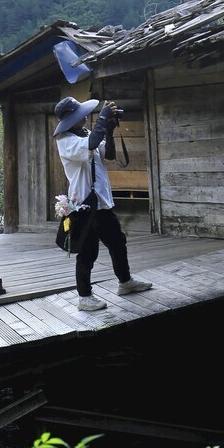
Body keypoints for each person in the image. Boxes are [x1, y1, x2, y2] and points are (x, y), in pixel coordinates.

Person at [53, 97, 152, 311]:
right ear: (72, 119)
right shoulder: (66, 141)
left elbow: (108, 153)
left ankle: (125, 282)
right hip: (84, 205)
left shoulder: (88, 134)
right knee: (88, 252)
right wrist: (103, 118)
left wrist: (109, 129)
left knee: (118, 242)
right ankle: (84, 297)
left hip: (101, 202)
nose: (85, 117)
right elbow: (90, 145)